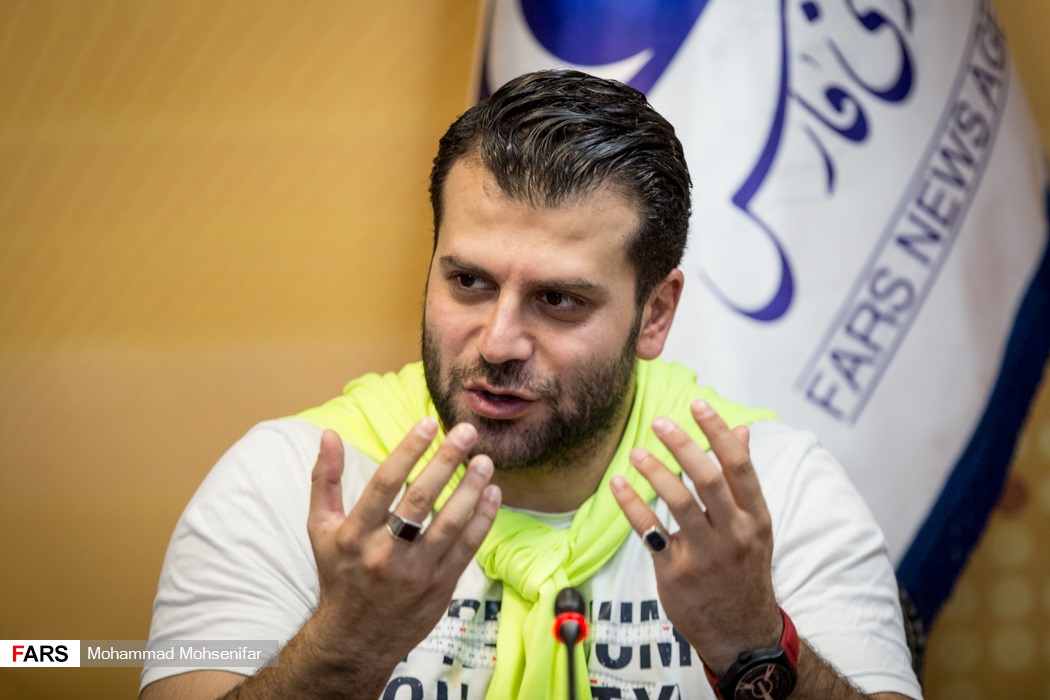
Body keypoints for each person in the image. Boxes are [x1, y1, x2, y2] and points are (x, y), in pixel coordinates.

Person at [140, 70, 922, 700]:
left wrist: (754, 643)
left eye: (559, 300)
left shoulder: (771, 493)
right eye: (469, 282)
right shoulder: (292, 481)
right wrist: (345, 648)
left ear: (654, 314)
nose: (499, 342)